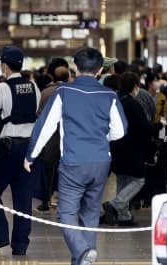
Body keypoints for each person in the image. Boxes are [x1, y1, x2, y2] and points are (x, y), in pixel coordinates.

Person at [24, 47, 127, 265]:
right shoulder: (109, 95)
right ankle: (83, 260)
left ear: (75, 67)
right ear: (100, 70)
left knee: (66, 213)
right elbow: (120, 131)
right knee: (90, 215)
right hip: (100, 161)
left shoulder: (64, 92)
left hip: (73, 161)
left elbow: (45, 127)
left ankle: (81, 251)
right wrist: (100, 137)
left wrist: (30, 156)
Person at [0, 45, 40, 256]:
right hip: (29, 150)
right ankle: (20, 244)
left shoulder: (1, 88)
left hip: (8, 148)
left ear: (4, 65)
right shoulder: (33, 86)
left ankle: (0, 233)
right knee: (23, 198)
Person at [103, 72, 154, 226]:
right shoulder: (132, 103)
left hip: (116, 146)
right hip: (132, 147)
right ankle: (115, 204)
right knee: (139, 179)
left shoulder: (114, 100)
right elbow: (144, 127)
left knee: (123, 179)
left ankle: (123, 216)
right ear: (134, 86)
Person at [36, 57, 70, 212]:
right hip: (70, 137)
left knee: (48, 170)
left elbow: (39, 116)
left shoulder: (46, 92)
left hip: (50, 138)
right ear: (68, 76)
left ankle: (45, 200)